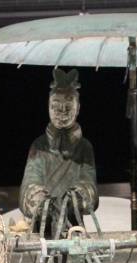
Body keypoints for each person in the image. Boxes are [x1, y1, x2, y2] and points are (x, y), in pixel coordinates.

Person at [19, 68, 97, 236]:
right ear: (48, 107)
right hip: (42, 229)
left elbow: (89, 183)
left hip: (74, 228)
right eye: (56, 105)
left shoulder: (84, 147)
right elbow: (30, 181)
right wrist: (37, 198)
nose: (62, 111)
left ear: (78, 108)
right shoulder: (39, 146)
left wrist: (78, 196)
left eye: (68, 106)